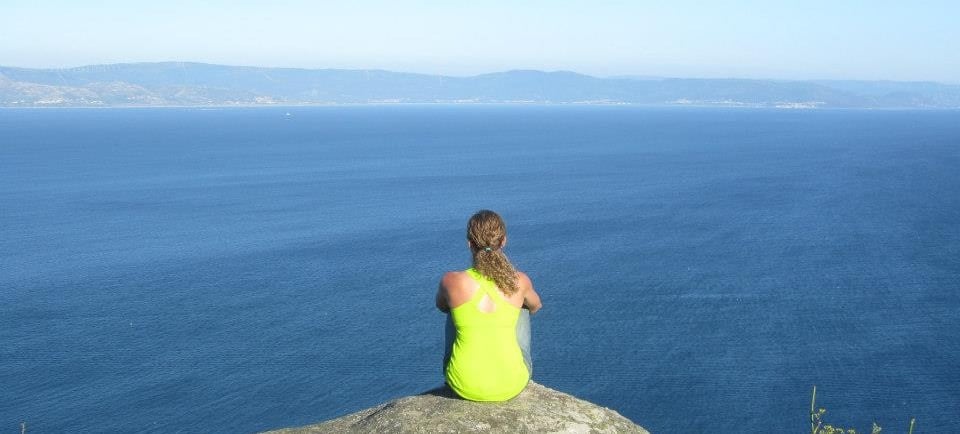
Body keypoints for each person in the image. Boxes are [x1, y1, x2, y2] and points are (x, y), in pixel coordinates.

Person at [435, 210, 542, 401]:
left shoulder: (451, 281)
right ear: (503, 241)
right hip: (511, 383)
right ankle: (508, 366)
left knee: (453, 308)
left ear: (469, 243)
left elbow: (441, 306)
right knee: (523, 307)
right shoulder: (519, 281)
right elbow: (536, 306)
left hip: (462, 383)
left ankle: (459, 368)